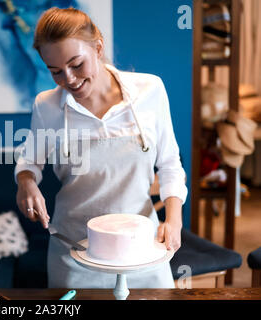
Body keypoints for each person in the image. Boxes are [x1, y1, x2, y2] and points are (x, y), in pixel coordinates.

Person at [14, 7, 188, 288]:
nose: (68, 79)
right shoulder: (46, 106)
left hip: (142, 247)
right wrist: (26, 182)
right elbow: (29, 161)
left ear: (98, 47)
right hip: (74, 250)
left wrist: (174, 219)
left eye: (76, 64)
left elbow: (170, 164)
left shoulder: (150, 90)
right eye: (55, 71)